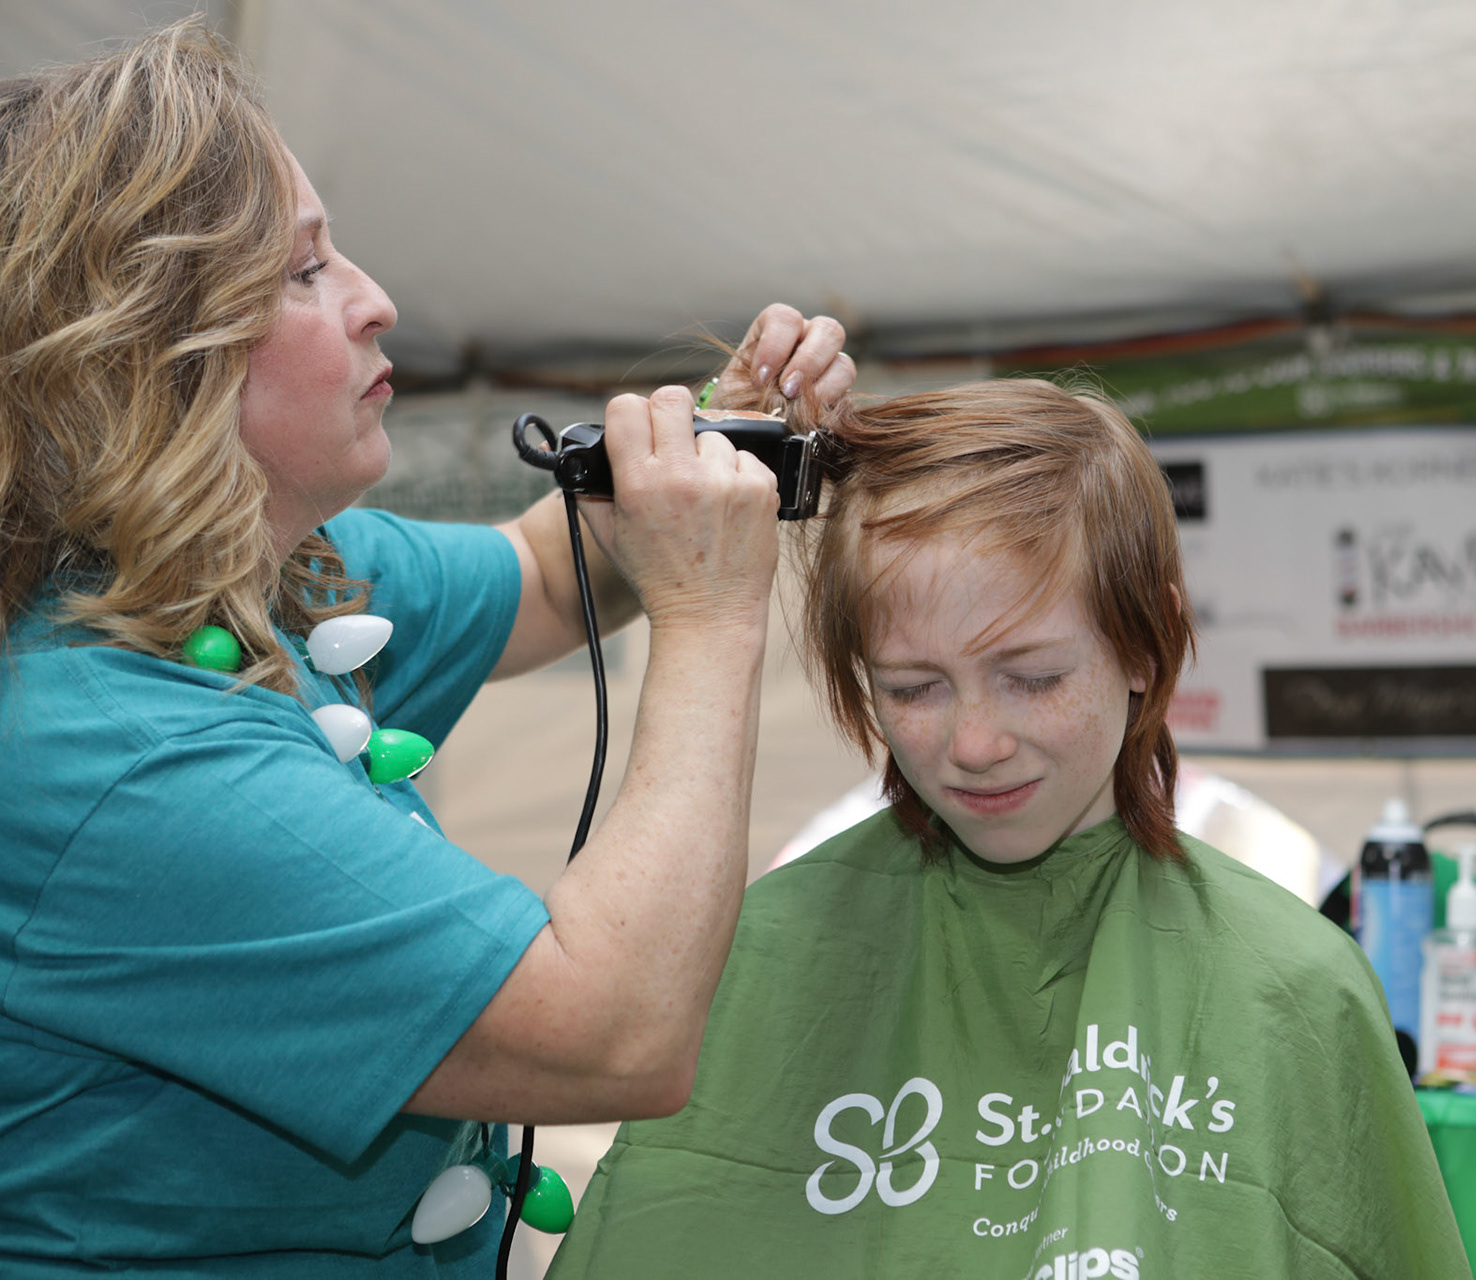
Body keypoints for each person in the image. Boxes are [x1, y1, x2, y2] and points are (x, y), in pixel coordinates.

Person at [0, 21, 854, 1276]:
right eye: (304, 271)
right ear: (149, 357)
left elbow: (552, 572)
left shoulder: (261, 572)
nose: (375, 300)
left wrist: (716, 448)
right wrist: (716, 612)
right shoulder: (115, 756)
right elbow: (616, 1032)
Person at [547, 380, 1471, 1278]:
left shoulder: (1301, 993)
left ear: (1146, 643)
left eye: (1033, 678)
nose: (975, 745)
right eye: (913, 688)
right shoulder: (757, 954)